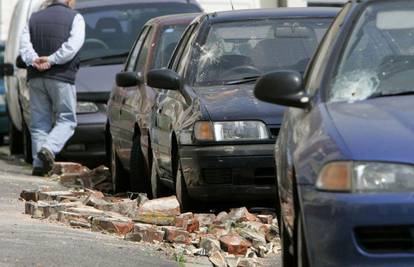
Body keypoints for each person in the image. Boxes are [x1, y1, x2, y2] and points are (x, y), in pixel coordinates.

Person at [19, 0, 85, 176]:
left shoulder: (33, 18)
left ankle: (39, 165)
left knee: (39, 123)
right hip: (61, 77)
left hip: (35, 77)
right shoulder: (75, 18)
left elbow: (24, 46)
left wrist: (35, 60)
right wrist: (51, 59)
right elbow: (72, 46)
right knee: (67, 120)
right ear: (70, 1)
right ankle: (48, 148)